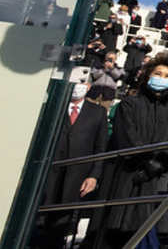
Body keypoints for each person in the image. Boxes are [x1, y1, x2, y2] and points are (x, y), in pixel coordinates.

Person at [94, 52, 168, 249]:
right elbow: (125, 136)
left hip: (150, 179)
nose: (162, 79)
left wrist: (159, 164)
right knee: (110, 232)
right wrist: (146, 160)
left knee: (138, 231)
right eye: (158, 73)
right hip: (123, 175)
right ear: (148, 75)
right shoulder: (129, 104)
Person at [41, 67, 108, 249]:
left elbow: (100, 146)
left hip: (76, 177)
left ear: (87, 87)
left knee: (61, 224)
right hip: (47, 175)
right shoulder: (51, 106)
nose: (77, 87)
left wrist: (94, 175)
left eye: (81, 83)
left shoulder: (98, 112)